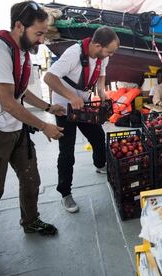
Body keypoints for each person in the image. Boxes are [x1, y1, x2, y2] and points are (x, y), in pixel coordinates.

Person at [0, 2, 65, 275]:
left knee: (31, 178)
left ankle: (30, 220)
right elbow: (8, 102)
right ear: (20, 26)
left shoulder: (21, 51)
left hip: (15, 130)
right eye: (38, 33)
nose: (41, 40)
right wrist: (44, 126)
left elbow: (19, 91)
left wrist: (46, 107)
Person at [44, 27, 120, 213]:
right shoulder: (73, 54)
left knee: (98, 137)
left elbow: (100, 78)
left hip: (84, 106)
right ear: (96, 45)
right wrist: (71, 96)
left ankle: (100, 165)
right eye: (109, 51)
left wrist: (102, 93)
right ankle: (65, 194)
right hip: (64, 108)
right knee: (67, 152)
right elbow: (49, 77)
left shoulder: (103, 56)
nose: (110, 55)